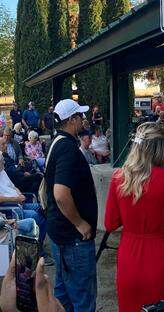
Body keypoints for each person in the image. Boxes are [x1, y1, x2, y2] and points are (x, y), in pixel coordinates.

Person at [104, 122, 164, 312]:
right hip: (160, 258)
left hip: (129, 259)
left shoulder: (118, 177)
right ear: (160, 149)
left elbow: (110, 224)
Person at [43, 98, 98, 311]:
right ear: (72, 120)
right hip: (72, 238)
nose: (83, 119)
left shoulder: (57, 142)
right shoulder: (67, 148)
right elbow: (60, 194)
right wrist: (79, 223)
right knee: (82, 298)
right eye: (80, 116)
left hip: (60, 233)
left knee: (64, 293)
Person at [0, 149, 47, 243]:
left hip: (18, 202)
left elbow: (13, 186)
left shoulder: (1, 171)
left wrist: (20, 194)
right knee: (37, 216)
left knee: (42, 208)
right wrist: (16, 199)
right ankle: (35, 243)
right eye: (2, 161)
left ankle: (37, 242)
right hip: (10, 208)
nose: (4, 162)